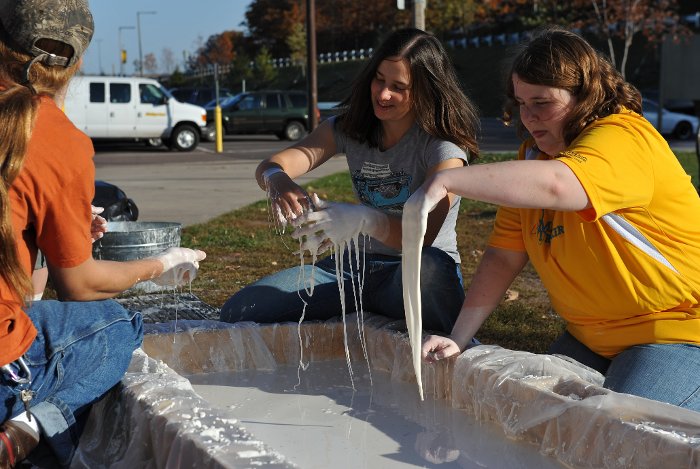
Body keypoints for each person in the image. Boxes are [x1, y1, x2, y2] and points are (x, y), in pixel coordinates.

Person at [416, 26, 700, 411]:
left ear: (585, 96)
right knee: (527, 418)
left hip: (676, 333)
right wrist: (458, 338)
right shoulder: (533, 157)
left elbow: (560, 186)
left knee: (619, 435)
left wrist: (447, 179)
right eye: (520, 102)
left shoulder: (624, 136)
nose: (529, 117)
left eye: (542, 102)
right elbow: (503, 257)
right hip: (589, 337)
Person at [0, 0, 206, 467]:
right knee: (115, 325)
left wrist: (51, 240)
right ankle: (31, 424)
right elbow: (78, 287)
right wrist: (163, 263)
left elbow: (24, 290)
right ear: (73, 63)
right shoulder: (51, 134)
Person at [220, 28, 480, 333]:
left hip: (414, 271)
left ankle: (406, 316)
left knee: (431, 268)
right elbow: (272, 165)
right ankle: (367, 306)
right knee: (239, 310)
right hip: (352, 269)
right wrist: (277, 179)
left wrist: (366, 220)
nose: (383, 94)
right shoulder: (348, 127)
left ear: (425, 91)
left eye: (399, 86)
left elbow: (421, 237)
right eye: (379, 79)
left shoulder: (443, 148)